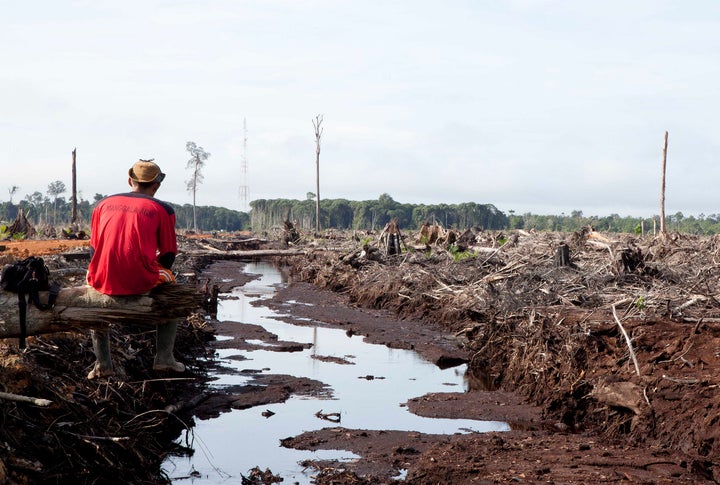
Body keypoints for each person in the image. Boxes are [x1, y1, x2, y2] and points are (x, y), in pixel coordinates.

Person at [85, 159, 185, 379]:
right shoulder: (162, 209)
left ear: (130, 180)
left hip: (101, 277)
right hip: (140, 279)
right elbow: (168, 255)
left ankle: (102, 363)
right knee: (175, 292)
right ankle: (164, 358)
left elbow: (93, 250)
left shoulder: (102, 205)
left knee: (91, 295)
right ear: (156, 185)